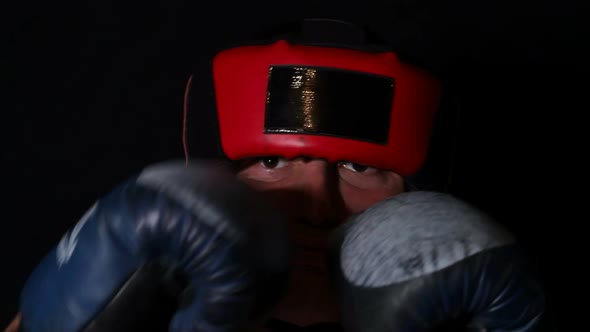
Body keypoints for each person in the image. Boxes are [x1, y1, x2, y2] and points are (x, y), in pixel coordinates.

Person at [6, 18, 547, 332]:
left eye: (360, 168)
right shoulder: (132, 301)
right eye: (271, 162)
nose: (315, 203)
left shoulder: (483, 305)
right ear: (207, 187)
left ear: (425, 201)